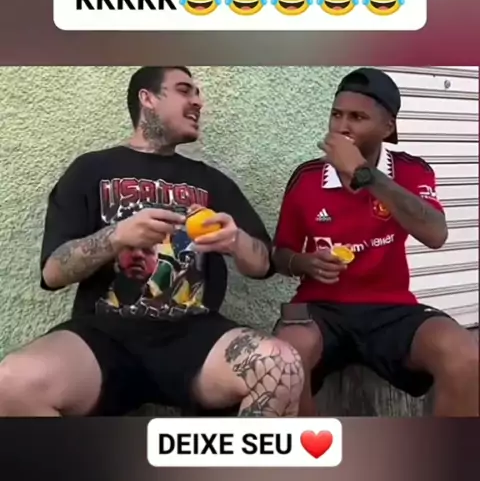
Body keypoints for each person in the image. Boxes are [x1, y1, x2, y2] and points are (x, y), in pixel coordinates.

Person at [0, 66, 303, 417]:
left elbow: (263, 264)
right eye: (184, 90)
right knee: (11, 381)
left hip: (194, 336)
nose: (198, 101)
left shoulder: (209, 181)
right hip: (102, 336)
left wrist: (236, 240)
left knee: (282, 365)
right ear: (148, 98)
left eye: (197, 93)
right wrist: (117, 236)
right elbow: (53, 272)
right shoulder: (91, 169)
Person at [273, 67, 479, 418]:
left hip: (390, 309)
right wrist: (304, 262)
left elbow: (435, 234)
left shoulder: (411, 170)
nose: (342, 126)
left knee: (465, 354)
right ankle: (311, 450)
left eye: (357, 117)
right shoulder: (307, 177)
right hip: (321, 309)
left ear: (387, 127)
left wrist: (364, 174)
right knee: (284, 356)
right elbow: (279, 255)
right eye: (336, 115)